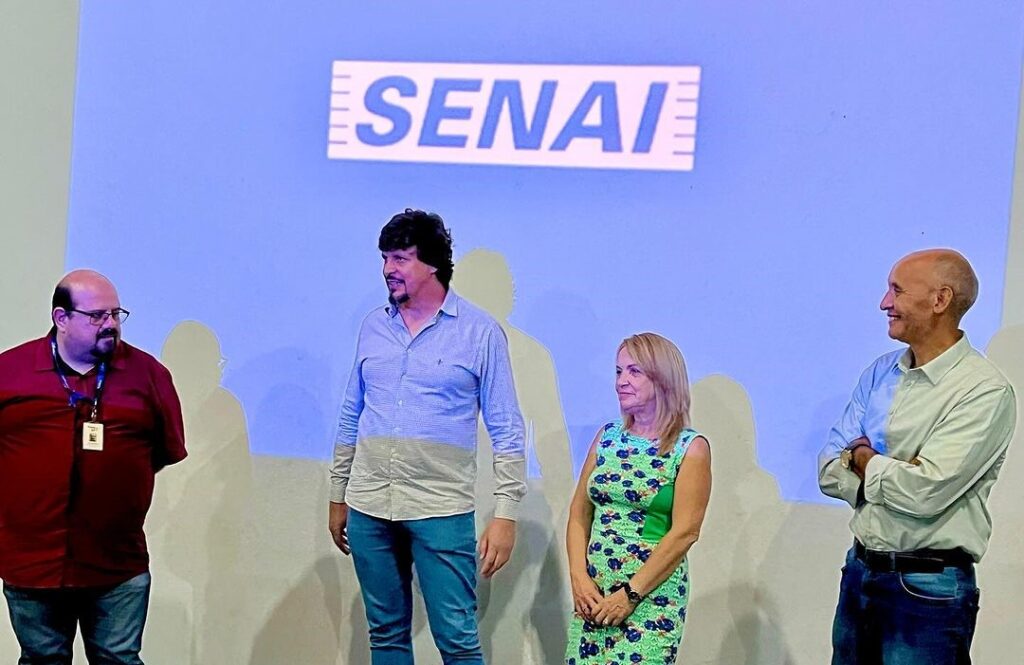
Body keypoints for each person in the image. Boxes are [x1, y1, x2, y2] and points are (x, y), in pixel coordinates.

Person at [328, 209, 527, 664]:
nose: (388, 269)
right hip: (369, 505)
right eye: (384, 258)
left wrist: (506, 514)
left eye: (400, 258)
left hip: (441, 507)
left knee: (457, 640)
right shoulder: (373, 326)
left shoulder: (479, 332)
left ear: (432, 264)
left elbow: (507, 428)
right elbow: (351, 413)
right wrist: (338, 494)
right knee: (385, 635)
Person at [818, 249, 1017, 665]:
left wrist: (862, 457)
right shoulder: (880, 372)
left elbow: (925, 491)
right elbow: (828, 468)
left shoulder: (983, 391)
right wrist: (886, 468)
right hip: (860, 573)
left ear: (940, 300)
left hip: (928, 592)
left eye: (897, 290)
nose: (884, 303)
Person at [0, 269, 187, 664]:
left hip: (116, 564)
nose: (111, 325)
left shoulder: (148, 375)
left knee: (118, 659)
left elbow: (162, 452)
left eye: (116, 314)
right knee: (41, 659)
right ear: (61, 318)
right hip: (32, 562)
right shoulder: (10, 372)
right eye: (98, 315)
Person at [564, 332, 712, 665]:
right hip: (594, 595)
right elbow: (578, 514)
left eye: (634, 372)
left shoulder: (689, 448)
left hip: (649, 601)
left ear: (663, 379)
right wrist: (578, 577)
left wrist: (630, 594)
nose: (621, 381)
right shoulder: (607, 437)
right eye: (618, 371)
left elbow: (685, 532)